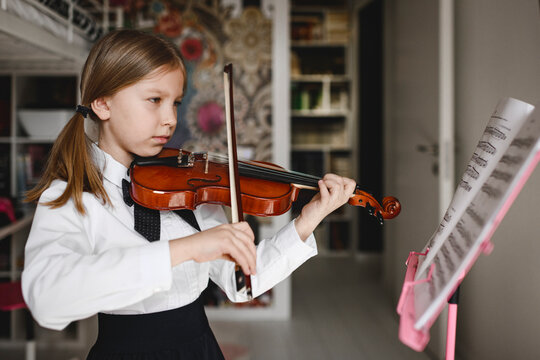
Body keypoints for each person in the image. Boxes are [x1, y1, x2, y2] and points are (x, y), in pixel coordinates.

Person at [21, 29, 356, 359]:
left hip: (200, 349)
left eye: (176, 103)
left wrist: (308, 219)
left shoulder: (186, 187)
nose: (170, 119)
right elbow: (47, 299)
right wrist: (186, 249)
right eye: (155, 100)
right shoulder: (71, 196)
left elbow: (242, 285)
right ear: (103, 103)